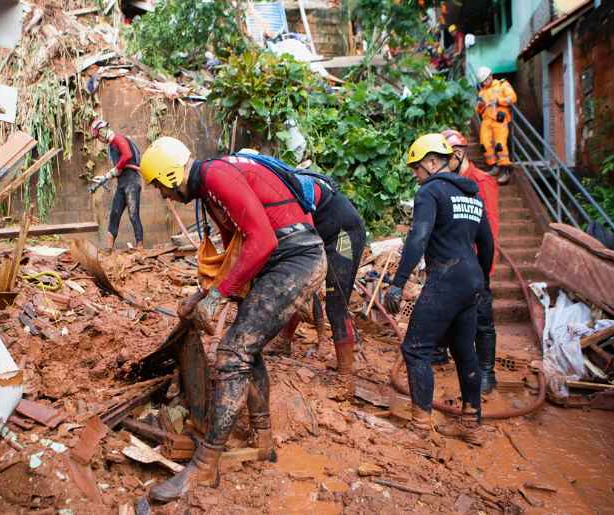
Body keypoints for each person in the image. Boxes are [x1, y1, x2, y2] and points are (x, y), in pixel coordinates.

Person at [138, 137, 327, 502]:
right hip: (281, 263)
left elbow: (262, 239)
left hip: (295, 261)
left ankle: (206, 464)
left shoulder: (215, 177)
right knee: (248, 347)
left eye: (160, 186)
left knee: (232, 353)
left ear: (170, 174)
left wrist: (219, 295)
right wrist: (203, 294)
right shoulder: (211, 189)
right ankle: (263, 438)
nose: (163, 196)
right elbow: (237, 251)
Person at [384, 133, 493, 445]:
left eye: (416, 168)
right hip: (470, 278)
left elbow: (418, 238)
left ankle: (420, 427)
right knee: (463, 350)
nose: (416, 176)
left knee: (415, 348)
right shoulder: (472, 195)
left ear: (432, 162)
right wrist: (482, 280)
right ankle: (471, 424)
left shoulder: (430, 192)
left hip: (446, 276)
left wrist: (398, 283)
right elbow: (486, 243)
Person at [255, 157, 366, 400]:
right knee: (296, 283)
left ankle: (346, 378)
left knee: (336, 303)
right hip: (319, 236)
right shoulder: (277, 186)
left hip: (343, 237)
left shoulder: (287, 187)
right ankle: (284, 341)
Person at [442, 129, 500, 393]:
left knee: (482, 317)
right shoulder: (451, 182)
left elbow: (490, 230)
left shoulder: (482, 181)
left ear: (458, 154)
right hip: (454, 260)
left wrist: (485, 268)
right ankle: (442, 352)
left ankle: (487, 371)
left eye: (444, 158)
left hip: (475, 261)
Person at [90, 119, 144, 252]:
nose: (99, 139)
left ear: (102, 131)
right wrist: (105, 177)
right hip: (122, 182)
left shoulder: (118, 139)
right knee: (115, 213)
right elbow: (118, 168)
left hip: (132, 181)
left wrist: (112, 172)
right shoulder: (111, 146)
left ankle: (140, 247)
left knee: (133, 214)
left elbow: (127, 155)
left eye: (98, 136)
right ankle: (108, 248)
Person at [475, 66, 517, 185]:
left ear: (490, 76)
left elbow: (513, 98)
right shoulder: (482, 92)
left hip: (499, 120)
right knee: (484, 143)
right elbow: (478, 110)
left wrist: (499, 100)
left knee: (500, 145)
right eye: (482, 81)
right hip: (486, 121)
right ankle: (494, 165)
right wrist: (480, 105)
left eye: (485, 80)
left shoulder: (502, 85)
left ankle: (505, 170)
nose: (484, 83)